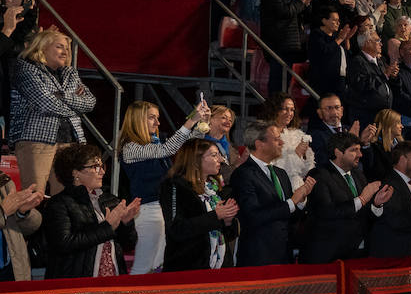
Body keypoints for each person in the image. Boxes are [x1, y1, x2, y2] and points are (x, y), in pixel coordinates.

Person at [118, 99, 209, 274]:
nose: (158, 123)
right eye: (152, 117)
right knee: (144, 266)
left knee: (159, 265)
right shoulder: (130, 147)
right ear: (137, 120)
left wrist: (203, 122)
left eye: (158, 118)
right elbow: (168, 149)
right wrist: (191, 120)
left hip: (162, 209)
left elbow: (187, 145)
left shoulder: (155, 143)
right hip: (147, 210)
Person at [10, 27, 97, 194]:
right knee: (33, 196)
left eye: (66, 47)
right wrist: (74, 103)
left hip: (69, 142)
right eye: (59, 46)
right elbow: (46, 102)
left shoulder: (70, 73)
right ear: (42, 47)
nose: (65, 51)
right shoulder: (26, 68)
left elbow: (90, 103)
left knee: (66, 196)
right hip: (36, 140)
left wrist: (61, 96)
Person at [42, 144, 139, 279]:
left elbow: (128, 244)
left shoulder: (110, 200)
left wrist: (126, 223)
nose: (102, 172)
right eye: (95, 167)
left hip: (112, 276)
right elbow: (64, 243)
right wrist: (107, 227)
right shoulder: (59, 204)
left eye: (102, 166)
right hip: (76, 283)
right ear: (75, 173)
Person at [228, 119, 314, 267]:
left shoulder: (281, 174)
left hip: (284, 253)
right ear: (259, 144)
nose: (281, 143)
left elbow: (289, 216)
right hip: (258, 256)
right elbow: (253, 215)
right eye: (276, 139)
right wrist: (292, 202)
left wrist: (300, 202)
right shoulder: (243, 174)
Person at [301, 131, 388, 263]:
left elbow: (364, 213)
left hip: (356, 251)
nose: (360, 154)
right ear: (338, 152)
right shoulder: (319, 174)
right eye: (354, 150)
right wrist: (362, 199)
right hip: (327, 255)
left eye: (359, 150)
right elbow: (326, 212)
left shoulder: (358, 174)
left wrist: (377, 205)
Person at [160, 139, 238, 271]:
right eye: (214, 155)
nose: (220, 159)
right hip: (189, 268)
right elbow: (176, 229)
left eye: (219, 155)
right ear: (195, 159)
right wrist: (216, 215)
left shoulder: (212, 187)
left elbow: (224, 235)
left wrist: (228, 221)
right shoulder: (175, 185)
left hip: (219, 266)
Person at [260, 0, 313, 94]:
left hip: (290, 44)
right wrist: (300, 2)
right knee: (278, 82)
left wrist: (307, 4)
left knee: (286, 83)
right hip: (278, 44)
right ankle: (274, 110)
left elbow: (299, 16)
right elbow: (283, 12)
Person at [260, 93, 314, 190]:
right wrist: (296, 154)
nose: (289, 113)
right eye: (285, 109)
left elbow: (307, 169)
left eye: (292, 110)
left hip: (298, 188)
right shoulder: (263, 135)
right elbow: (273, 169)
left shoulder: (298, 134)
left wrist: (305, 156)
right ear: (274, 110)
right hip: (274, 187)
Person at [0, 170, 43, 281]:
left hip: (12, 269)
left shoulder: (4, 181)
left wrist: (22, 212)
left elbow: (29, 228)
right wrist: (3, 212)